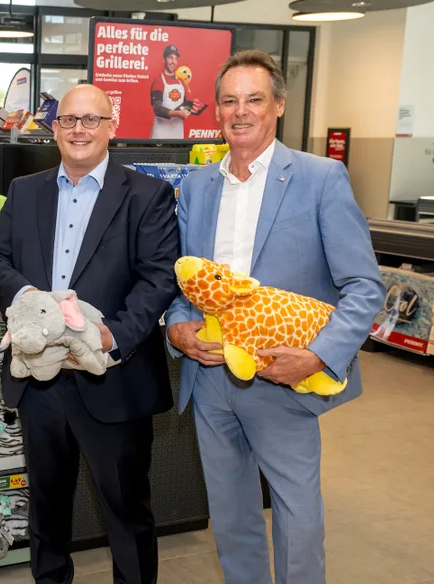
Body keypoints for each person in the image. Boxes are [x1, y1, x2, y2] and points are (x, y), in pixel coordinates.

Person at [165, 50, 385, 584]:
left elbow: (364, 285)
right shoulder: (196, 185)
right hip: (211, 376)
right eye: (229, 101)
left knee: (296, 512)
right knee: (230, 513)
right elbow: (187, 280)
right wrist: (176, 325)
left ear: (278, 105)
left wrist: (318, 356)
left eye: (254, 100)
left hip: (283, 375)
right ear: (216, 110)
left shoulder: (320, 177)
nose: (240, 112)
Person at [0, 84, 180, 584]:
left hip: (111, 379)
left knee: (127, 512)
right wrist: (27, 298)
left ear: (112, 126)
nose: (79, 129)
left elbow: (159, 278)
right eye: (68, 119)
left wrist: (112, 338)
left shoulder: (147, 195)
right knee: (47, 510)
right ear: (54, 128)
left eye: (92, 119)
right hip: (40, 379)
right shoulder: (26, 191)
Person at [149, 44, 204, 139]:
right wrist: (178, 113)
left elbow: (183, 105)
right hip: (161, 134)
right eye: (170, 58)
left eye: (175, 59)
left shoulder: (181, 82)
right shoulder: (158, 81)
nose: (173, 62)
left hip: (177, 133)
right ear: (164, 60)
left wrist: (191, 105)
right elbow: (157, 108)